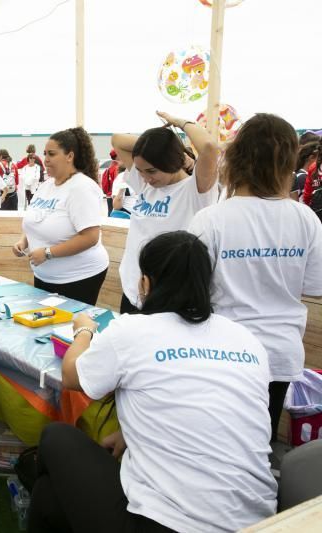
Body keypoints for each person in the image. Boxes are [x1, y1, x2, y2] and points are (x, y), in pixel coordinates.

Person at [29, 231, 277, 532]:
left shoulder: (132, 330)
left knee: (55, 437)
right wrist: (128, 433)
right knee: (48, 496)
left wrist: (84, 330)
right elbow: (202, 402)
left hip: (165, 523)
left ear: (145, 283)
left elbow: (71, 375)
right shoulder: (246, 339)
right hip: (261, 521)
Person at [188, 113, 322, 442]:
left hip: (221, 352)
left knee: (218, 440)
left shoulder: (210, 220)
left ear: (234, 158)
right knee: (260, 441)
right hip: (278, 353)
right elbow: (314, 286)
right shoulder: (305, 219)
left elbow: (192, 292)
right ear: (289, 162)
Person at [111, 111, 219, 314]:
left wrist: (178, 123)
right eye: (141, 171)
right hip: (133, 292)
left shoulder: (194, 190)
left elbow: (209, 147)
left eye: (151, 171)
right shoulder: (147, 186)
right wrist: (154, 143)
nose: (145, 178)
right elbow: (117, 140)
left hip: (169, 298)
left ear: (172, 160)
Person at [12, 128, 109, 306]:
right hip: (44, 276)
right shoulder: (46, 186)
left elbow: (90, 237)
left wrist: (48, 253)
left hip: (77, 278)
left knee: (66, 330)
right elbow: (39, 218)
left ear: (69, 156)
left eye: (51, 154)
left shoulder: (81, 188)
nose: (46, 160)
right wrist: (24, 241)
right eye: (45, 154)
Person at [100, 150, 120, 215]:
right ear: (117, 156)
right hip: (114, 195)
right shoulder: (116, 168)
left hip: (108, 194)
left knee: (110, 212)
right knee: (115, 213)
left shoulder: (109, 167)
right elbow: (117, 182)